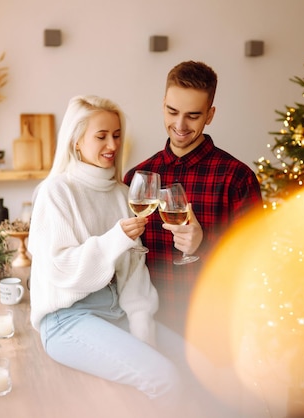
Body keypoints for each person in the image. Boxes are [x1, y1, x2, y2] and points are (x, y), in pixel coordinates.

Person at [28, 95, 228, 417]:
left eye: (117, 134)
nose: (112, 144)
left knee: (204, 371)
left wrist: (143, 329)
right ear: (77, 141)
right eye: (101, 135)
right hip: (67, 318)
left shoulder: (124, 194)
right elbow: (59, 269)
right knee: (164, 379)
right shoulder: (56, 192)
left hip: (117, 311)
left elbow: (135, 272)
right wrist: (115, 238)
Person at [124, 61, 263, 336]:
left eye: (193, 115)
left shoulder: (237, 178)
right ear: (163, 103)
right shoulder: (135, 178)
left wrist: (204, 245)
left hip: (214, 334)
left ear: (210, 115)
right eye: (172, 111)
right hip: (149, 331)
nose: (180, 125)